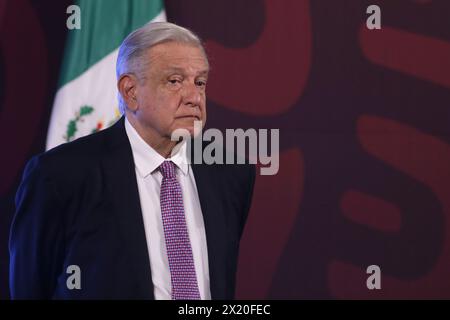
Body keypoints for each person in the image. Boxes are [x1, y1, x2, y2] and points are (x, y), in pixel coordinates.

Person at [9, 22, 255, 299]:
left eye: (200, 82)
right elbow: (30, 288)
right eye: (174, 81)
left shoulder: (230, 172)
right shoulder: (60, 175)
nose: (195, 97)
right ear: (130, 91)